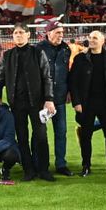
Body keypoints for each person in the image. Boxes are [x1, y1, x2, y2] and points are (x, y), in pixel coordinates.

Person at [0, 23, 57, 181]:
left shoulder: (37, 52)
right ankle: (28, 170)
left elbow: (47, 78)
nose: (18, 35)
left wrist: (49, 99)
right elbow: (0, 78)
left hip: (37, 103)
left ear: (28, 35)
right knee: (22, 137)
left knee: (41, 136)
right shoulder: (7, 55)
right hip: (16, 104)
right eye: (15, 33)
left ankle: (43, 170)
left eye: (21, 32)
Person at [68, 31, 106, 176]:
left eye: (95, 38)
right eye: (90, 38)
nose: (91, 40)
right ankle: (86, 166)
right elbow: (73, 83)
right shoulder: (80, 59)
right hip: (86, 103)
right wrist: (76, 102)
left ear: (102, 41)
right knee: (86, 136)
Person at [38, 21, 73, 175]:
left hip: (59, 98)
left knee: (61, 132)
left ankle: (61, 164)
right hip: (42, 99)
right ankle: (40, 164)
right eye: (58, 32)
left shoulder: (66, 49)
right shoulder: (38, 49)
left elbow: (67, 72)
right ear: (49, 33)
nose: (61, 35)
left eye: (62, 32)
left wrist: (69, 91)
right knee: (40, 134)